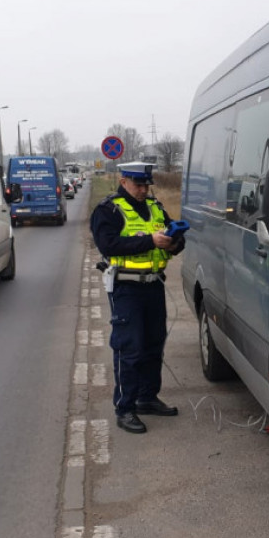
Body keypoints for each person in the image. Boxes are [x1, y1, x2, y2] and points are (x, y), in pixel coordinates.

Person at [91, 161, 185, 434]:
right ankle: (125, 408)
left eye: (146, 185)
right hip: (126, 288)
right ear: (123, 182)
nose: (144, 189)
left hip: (154, 285)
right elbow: (108, 244)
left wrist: (175, 242)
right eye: (138, 184)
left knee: (154, 344)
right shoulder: (108, 210)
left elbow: (174, 239)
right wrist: (150, 242)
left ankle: (147, 397)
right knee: (129, 348)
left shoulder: (155, 207)